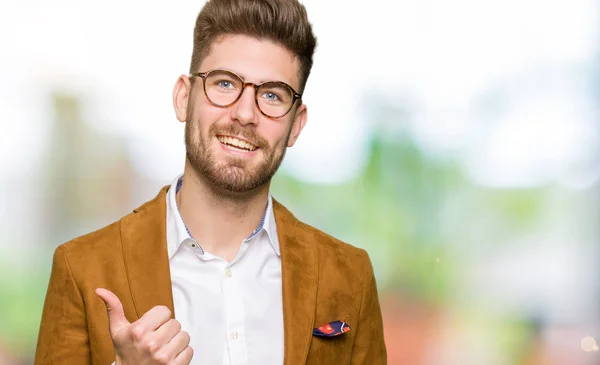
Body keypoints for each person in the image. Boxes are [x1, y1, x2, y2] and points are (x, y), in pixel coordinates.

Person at [34, 0, 387, 364]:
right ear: (184, 99)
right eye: (224, 83)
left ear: (296, 124)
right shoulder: (81, 269)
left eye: (271, 95)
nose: (245, 114)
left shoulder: (350, 277)